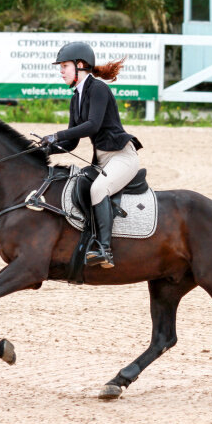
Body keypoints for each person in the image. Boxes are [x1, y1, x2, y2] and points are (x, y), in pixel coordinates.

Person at [40, 42, 142, 269]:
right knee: (76, 184)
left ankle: (104, 249)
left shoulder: (98, 89)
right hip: (103, 160)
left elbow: (93, 125)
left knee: (98, 189)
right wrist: (44, 149)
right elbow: (72, 142)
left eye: (65, 66)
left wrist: (56, 134)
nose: (61, 71)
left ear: (81, 65)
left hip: (122, 157)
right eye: (61, 67)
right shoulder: (75, 97)